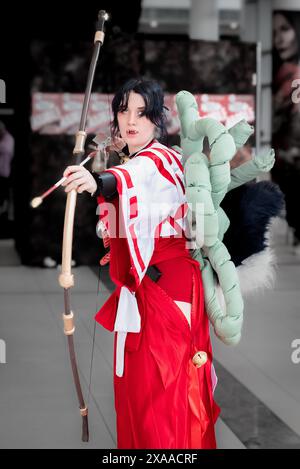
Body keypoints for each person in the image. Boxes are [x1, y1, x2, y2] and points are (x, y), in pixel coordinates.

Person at [62, 78, 220, 449]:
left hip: (168, 290)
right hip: (152, 286)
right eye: (123, 110)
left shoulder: (158, 160)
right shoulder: (145, 157)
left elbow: (128, 180)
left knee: (163, 395)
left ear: (157, 119)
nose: (130, 119)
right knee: (141, 390)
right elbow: (129, 183)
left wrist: (95, 180)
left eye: (142, 112)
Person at [272, 11, 300, 251]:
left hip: (291, 153)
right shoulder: (283, 73)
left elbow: (295, 115)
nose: (278, 39)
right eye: (273, 33)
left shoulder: (294, 74)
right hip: (281, 154)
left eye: (284, 29)